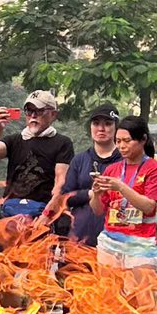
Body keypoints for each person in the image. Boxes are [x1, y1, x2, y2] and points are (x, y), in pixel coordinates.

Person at [91, 116, 157, 314]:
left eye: (127, 141)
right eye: (118, 141)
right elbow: (98, 210)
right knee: (110, 300)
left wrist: (121, 187)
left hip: (141, 243)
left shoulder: (155, 169)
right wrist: (96, 193)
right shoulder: (112, 170)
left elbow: (149, 206)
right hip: (111, 241)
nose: (122, 146)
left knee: (148, 302)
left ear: (142, 140)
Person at [0, 90, 73, 226]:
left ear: (53, 114)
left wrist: (47, 215)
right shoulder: (15, 140)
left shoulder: (62, 143)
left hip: (40, 216)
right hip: (11, 215)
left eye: (39, 111)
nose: (33, 116)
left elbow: (61, 181)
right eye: (29, 111)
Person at [56, 105, 121, 248]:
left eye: (107, 124)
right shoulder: (80, 160)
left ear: (116, 127)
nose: (101, 128)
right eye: (96, 123)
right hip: (79, 237)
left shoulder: (124, 161)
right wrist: (90, 193)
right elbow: (65, 197)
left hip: (116, 239)